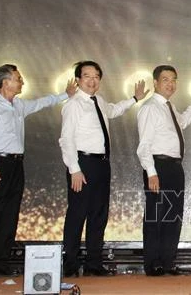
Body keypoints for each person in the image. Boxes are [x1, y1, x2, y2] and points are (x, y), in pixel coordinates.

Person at [0, 64, 76, 278]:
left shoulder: (18, 105)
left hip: (16, 165)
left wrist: (65, 94)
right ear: (5, 82)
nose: (22, 81)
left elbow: (41, 103)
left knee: (9, 214)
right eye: (18, 78)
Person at [59, 60, 148, 277]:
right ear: (78, 80)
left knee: (99, 214)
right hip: (82, 164)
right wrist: (74, 169)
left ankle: (93, 264)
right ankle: (70, 265)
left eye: (96, 76)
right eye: (87, 76)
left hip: (101, 164)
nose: (92, 80)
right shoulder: (73, 105)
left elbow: (113, 110)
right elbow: (66, 139)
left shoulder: (98, 100)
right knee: (77, 214)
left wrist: (135, 98)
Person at [136, 65, 191, 276]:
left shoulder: (169, 107)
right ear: (156, 83)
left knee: (173, 216)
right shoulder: (150, 107)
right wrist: (151, 172)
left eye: (174, 80)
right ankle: (153, 264)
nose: (170, 84)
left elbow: (183, 122)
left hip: (175, 167)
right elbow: (144, 145)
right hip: (158, 166)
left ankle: (168, 261)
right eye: (166, 79)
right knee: (156, 215)